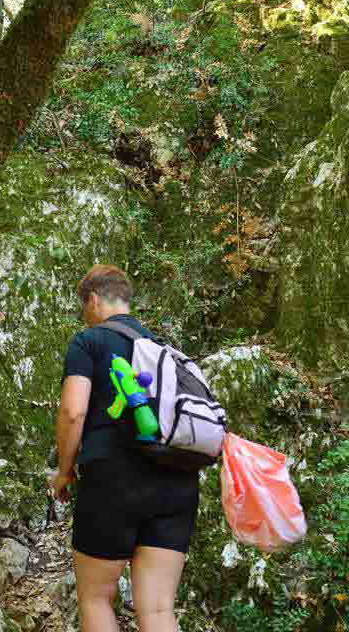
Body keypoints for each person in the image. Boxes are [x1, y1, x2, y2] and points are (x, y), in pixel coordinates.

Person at [51, 265, 199, 632]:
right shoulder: (165, 350)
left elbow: (73, 411)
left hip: (113, 480)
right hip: (177, 482)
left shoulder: (89, 342)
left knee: (96, 598)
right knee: (158, 611)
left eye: (84, 306)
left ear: (95, 299)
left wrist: (64, 470)